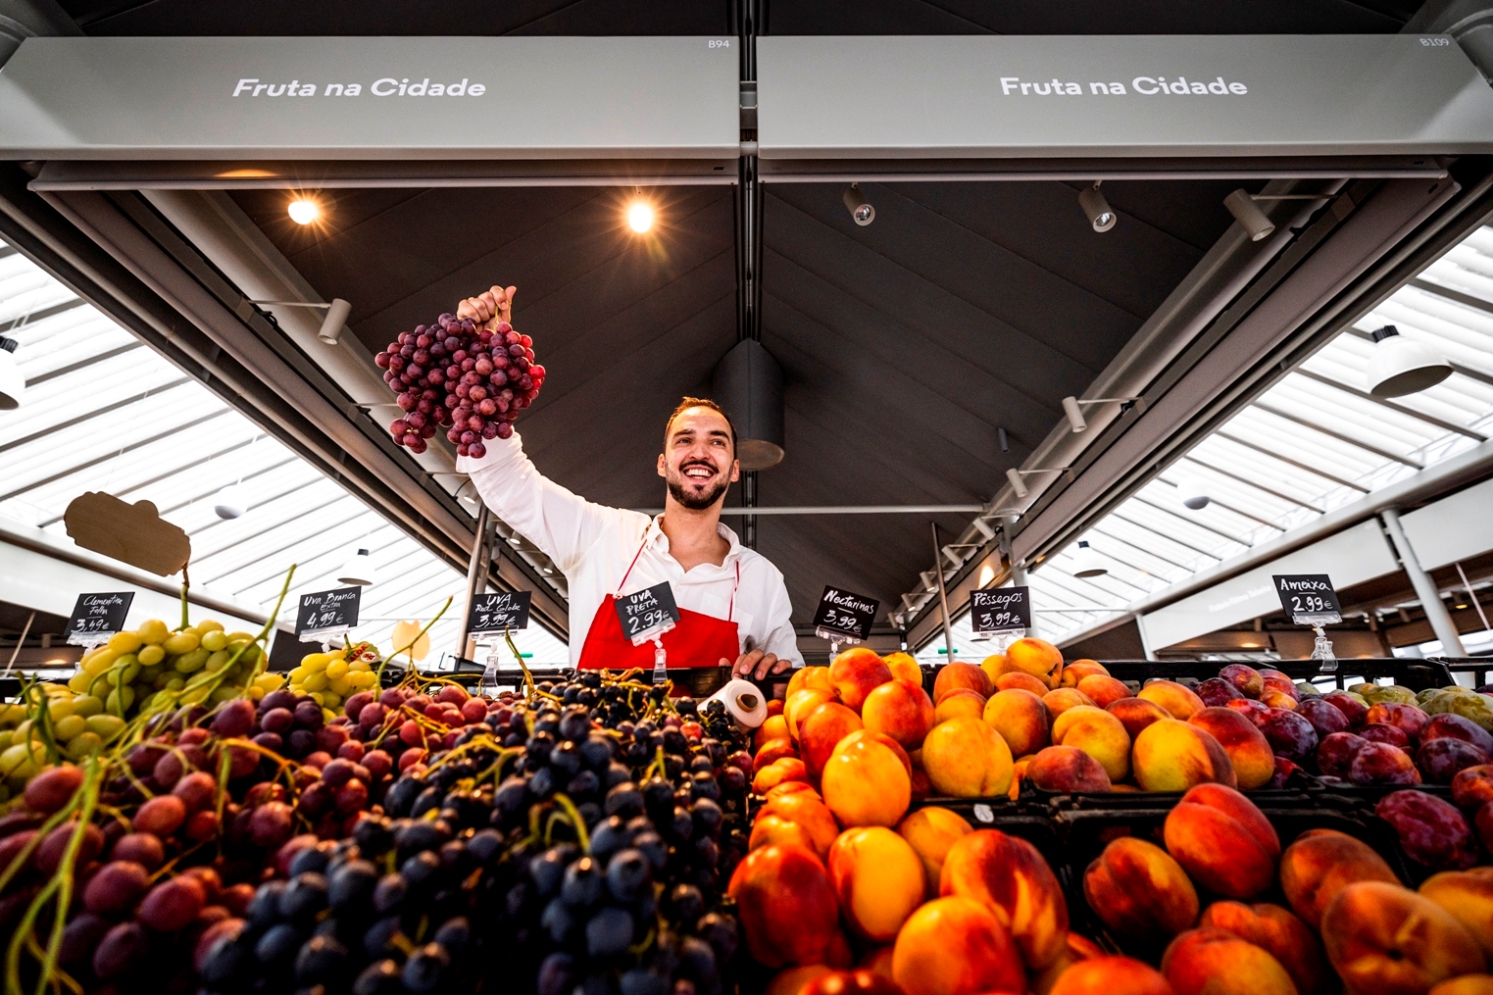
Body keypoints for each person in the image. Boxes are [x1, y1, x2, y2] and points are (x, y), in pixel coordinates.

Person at [454, 284, 801, 681]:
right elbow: (506, 481)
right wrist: (483, 361)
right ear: (661, 463)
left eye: (716, 442)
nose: (700, 453)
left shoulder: (762, 578)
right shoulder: (601, 535)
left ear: (735, 468)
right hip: (594, 741)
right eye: (684, 440)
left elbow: (792, 684)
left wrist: (776, 670)